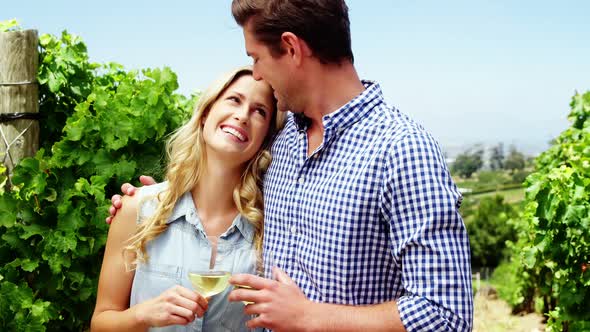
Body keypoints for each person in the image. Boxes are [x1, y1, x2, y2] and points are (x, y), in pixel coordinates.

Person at [108, 0, 474, 331]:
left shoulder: (402, 149)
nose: (258, 74)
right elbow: (221, 190)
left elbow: (446, 314)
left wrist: (310, 316)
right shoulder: (283, 143)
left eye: (256, 58)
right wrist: (157, 201)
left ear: (291, 48)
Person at [92, 65, 283, 332]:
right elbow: (101, 322)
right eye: (234, 100)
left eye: (260, 111)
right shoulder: (138, 209)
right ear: (206, 114)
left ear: (265, 139)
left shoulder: (271, 229)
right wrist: (143, 315)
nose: (242, 116)